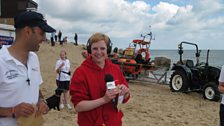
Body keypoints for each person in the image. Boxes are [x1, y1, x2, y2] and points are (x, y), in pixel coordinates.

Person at [0, 11, 55, 126]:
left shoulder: (34, 58)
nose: (44, 38)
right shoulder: (1, 61)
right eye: (41, 33)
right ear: (28, 32)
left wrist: (41, 100)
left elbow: (35, 87)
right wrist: (12, 111)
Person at [70, 32, 130, 126]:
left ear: (108, 50)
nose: (98, 52)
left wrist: (125, 93)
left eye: (102, 48)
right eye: (95, 48)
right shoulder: (80, 72)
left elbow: (124, 99)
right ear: (90, 50)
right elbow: (78, 106)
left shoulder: (116, 69)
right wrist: (104, 100)